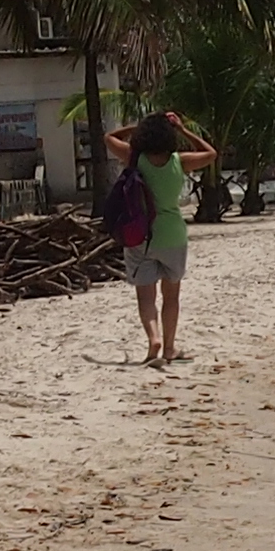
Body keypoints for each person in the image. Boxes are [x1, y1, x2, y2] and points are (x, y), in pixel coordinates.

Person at [103, 110, 217, 365]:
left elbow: (108, 137)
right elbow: (211, 154)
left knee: (146, 297)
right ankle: (169, 348)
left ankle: (153, 338)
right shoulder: (180, 161)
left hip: (140, 235)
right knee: (172, 296)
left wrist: (136, 127)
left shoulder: (134, 157)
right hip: (173, 235)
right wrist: (182, 130)